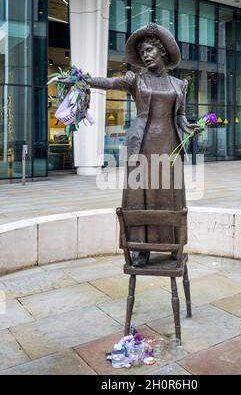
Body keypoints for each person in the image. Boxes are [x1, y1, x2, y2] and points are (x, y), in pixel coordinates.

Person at [61, 23, 199, 267]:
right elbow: (110, 83)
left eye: (149, 50)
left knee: (170, 196)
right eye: (143, 52)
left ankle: (174, 243)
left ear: (162, 52)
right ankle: (141, 248)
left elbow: (180, 116)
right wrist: (82, 80)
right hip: (143, 145)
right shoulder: (136, 80)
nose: (145, 56)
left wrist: (190, 127)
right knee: (140, 197)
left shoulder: (180, 85)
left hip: (170, 147)